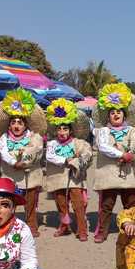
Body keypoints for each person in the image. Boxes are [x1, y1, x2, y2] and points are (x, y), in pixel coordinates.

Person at [92, 83, 135, 243]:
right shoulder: (102, 132)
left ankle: (131, 229)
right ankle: (102, 231)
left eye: (119, 112)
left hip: (129, 176)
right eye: (112, 112)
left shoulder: (134, 132)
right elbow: (103, 147)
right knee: (106, 206)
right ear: (108, 116)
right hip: (109, 176)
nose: (116, 115)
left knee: (130, 205)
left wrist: (131, 154)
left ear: (124, 115)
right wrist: (123, 154)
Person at [0, 88, 47, 237]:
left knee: (30, 204)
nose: (16, 125)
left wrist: (24, 162)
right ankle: (7, 226)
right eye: (13, 122)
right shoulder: (3, 138)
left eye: (20, 123)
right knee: (8, 203)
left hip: (31, 177)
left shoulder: (35, 137)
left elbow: (35, 151)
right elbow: (3, 153)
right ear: (9, 125)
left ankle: (31, 227)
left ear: (25, 125)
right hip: (10, 176)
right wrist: (15, 163)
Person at [45, 98, 92, 240]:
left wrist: (76, 162)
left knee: (78, 205)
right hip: (57, 178)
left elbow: (87, 154)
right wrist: (65, 160)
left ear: (70, 130)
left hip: (74, 178)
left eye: (65, 128)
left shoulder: (79, 143)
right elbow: (49, 156)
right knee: (61, 204)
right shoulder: (52, 144)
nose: (62, 131)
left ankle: (82, 230)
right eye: (59, 128)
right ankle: (64, 226)